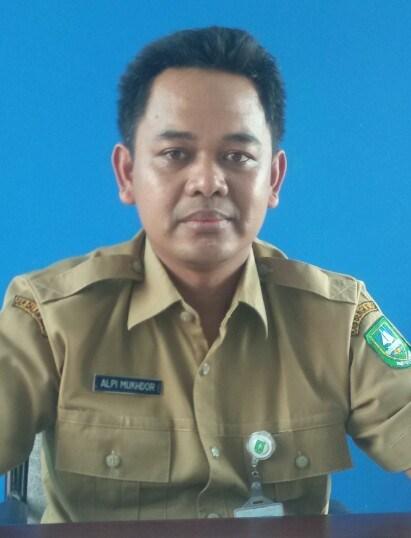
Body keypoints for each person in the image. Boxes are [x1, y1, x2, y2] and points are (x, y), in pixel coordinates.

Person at [0, 26, 410, 523]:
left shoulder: (337, 320)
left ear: (273, 178)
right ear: (127, 174)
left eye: (237, 157)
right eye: (176, 154)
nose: (208, 182)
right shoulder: (49, 317)